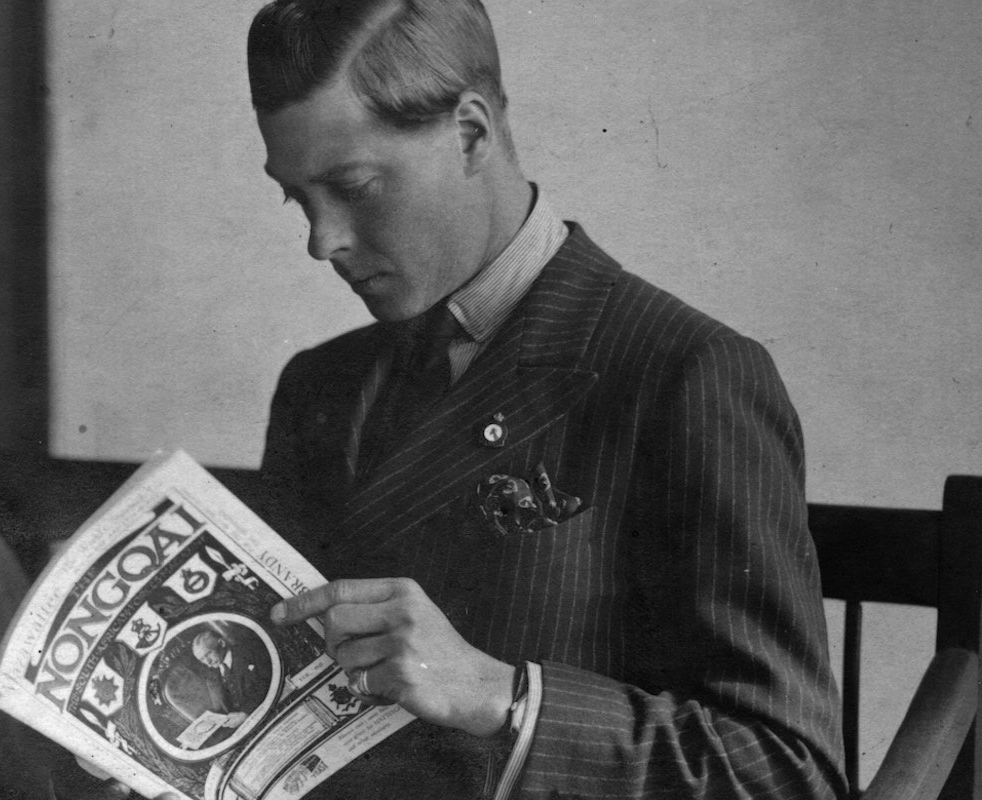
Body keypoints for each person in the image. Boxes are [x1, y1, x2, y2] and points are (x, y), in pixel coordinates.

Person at [248, 1, 849, 799]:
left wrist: (504, 697)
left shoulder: (687, 374)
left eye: (353, 188)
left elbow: (787, 773)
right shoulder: (319, 386)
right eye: (298, 199)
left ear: (470, 132)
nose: (322, 241)